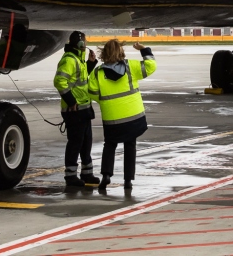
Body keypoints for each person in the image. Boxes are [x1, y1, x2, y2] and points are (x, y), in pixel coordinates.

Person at [87, 39, 156, 193]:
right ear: (121, 52)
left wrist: (106, 100)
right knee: (130, 145)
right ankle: (128, 180)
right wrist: (143, 50)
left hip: (112, 119)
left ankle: (106, 175)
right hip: (133, 117)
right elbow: (151, 66)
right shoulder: (131, 66)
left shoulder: (98, 73)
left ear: (104, 53)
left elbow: (92, 93)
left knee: (110, 145)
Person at [53, 30, 100, 188]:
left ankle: (87, 173)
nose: (86, 45)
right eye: (85, 42)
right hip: (74, 110)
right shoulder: (69, 60)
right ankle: (70, 176)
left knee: (86, 143)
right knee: (75, 143)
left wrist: (91, 64)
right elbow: (60, 81)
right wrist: (70, 100)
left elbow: (80, 79)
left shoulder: (78, 60)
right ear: (81, 44)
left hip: (84, 109)